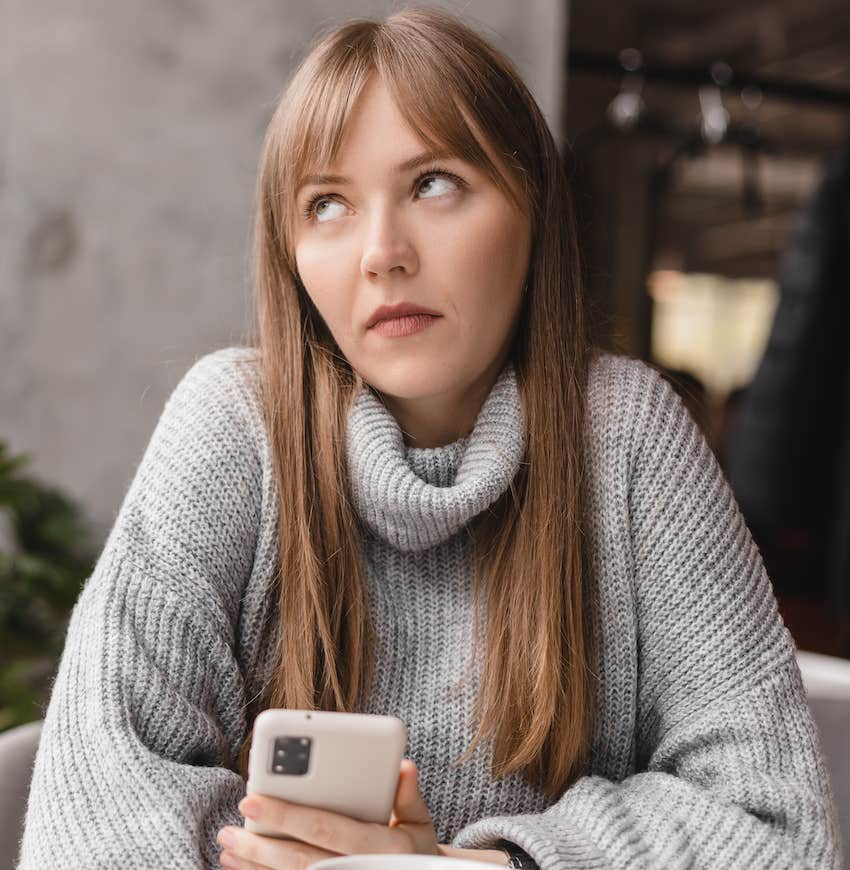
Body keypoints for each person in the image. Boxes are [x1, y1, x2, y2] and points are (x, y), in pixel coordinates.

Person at [16, 6, 839, 869]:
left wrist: (470, 866)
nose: (382, 253)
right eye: (327, 203)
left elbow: (777, 831)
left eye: (434, 183)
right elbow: (89, 822)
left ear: (531, 206)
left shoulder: (626, 436)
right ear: (289, 250)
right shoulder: (233, 424)